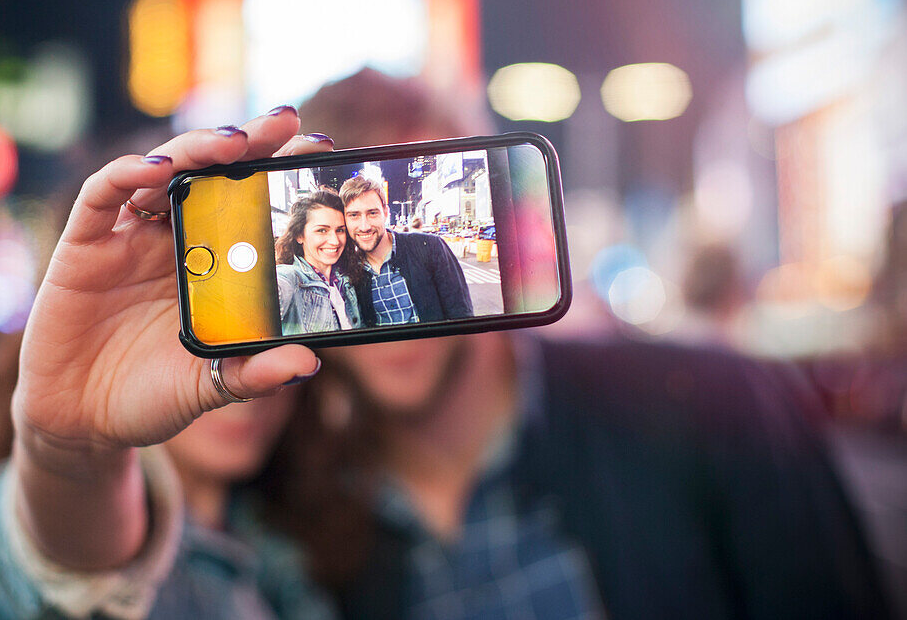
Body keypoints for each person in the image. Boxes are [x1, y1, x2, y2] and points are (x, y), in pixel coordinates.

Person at [261, 67, 890, 619]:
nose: (396, 335)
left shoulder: (727, 414)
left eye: (380, 214)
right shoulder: (293, 525)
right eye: (348, 228)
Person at [0, 108, 340, 618]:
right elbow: (65, 564)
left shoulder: (286, 536)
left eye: (258, 302)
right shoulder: (33, 505)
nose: (241, 350)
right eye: (202, 312)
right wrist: (74, 453)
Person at [339, 173, 473, 325]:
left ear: (386, 213)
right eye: (354, 215)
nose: (364, 226)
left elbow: (462, 316)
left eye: (372, 213)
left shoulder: (431, 247)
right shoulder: (348, 273)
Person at [275, 188, 372, 335]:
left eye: (340, 230)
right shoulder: (292, 279)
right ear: (299, 235)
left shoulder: (345, 280)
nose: (334, 241)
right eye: (322, 230)